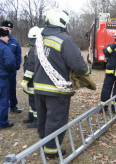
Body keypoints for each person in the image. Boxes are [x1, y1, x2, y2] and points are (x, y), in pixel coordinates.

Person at [33, 9, 91, 158]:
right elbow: (78, 64)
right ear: (62, 22)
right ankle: (51, 151)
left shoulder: (39, 39)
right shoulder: (64, 40)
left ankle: (43, 143)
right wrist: (86, 72)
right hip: (56, 90)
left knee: (43, 117)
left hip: (39, 87)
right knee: (56, 120)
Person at [100, 31, 116, 113]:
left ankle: (115, 108)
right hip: (110, 73)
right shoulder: (111, 46)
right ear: (115, 39)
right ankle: (103, 107)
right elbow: (105, 52)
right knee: (106, 90)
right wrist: (115, 44)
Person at [21, 26, 41, 128]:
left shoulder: (35, 50)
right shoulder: (35, 49)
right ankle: (31, 116)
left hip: (33, 80)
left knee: (34, 101)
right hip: (32, 80)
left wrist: (25, 80)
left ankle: (37, 120)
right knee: (31, 100)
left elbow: (31, 67)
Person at [0, 20, 22, 113]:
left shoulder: (14, 41)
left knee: (12, 88)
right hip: (2, 70)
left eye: (9, 29)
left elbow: (18, 54)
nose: (8, 30)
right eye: (6, 28)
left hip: (11, 70)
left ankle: (13, 105)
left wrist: (17, 66)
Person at [0, 28, 16, 130]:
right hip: (2, 78)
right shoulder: (5, 48)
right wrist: (9, 71)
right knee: (3, 101)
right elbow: (10, 63)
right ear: (2, 37)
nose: (7, 39)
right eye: (6, 37)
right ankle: (2, 122)